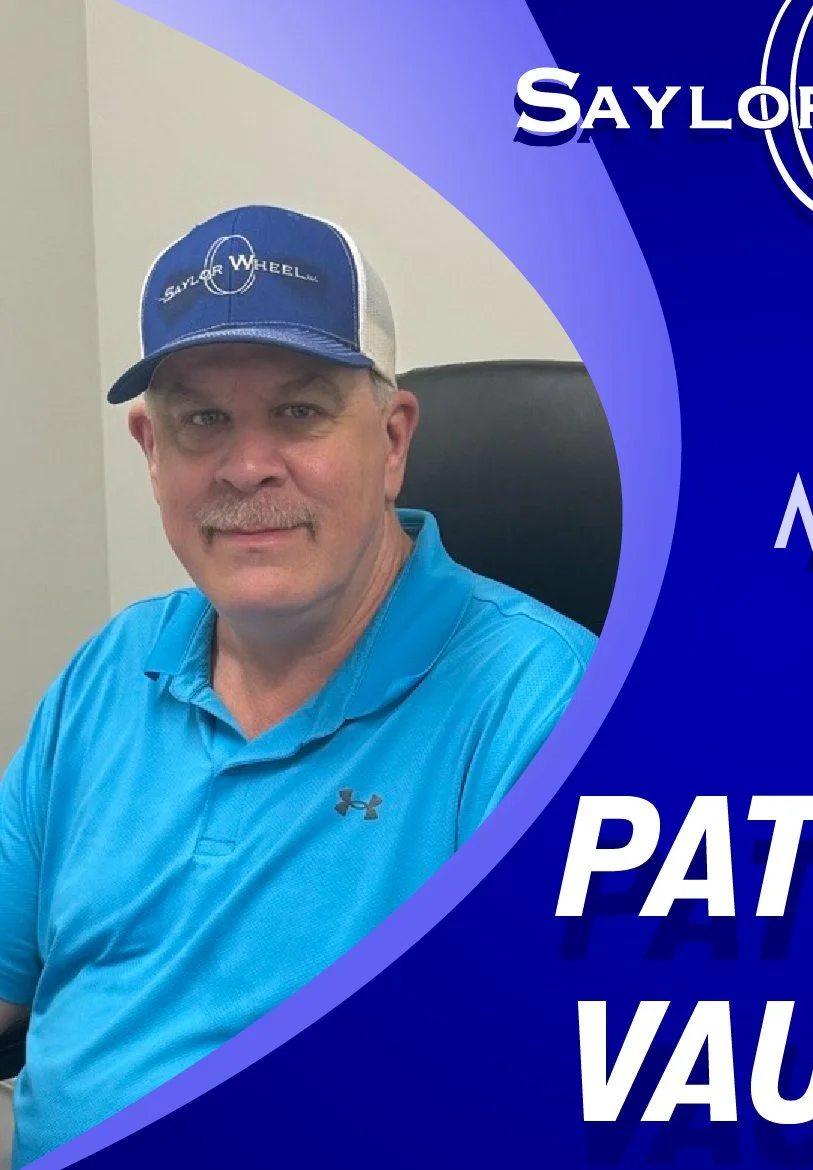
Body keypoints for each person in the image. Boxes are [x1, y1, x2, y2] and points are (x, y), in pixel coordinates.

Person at [0, 205, 598, 1167]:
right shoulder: (108, 671)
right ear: (151, 451)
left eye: (299, 411)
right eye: (202, 420)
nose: (246, 466)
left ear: (393, 437)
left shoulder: (540, 705)